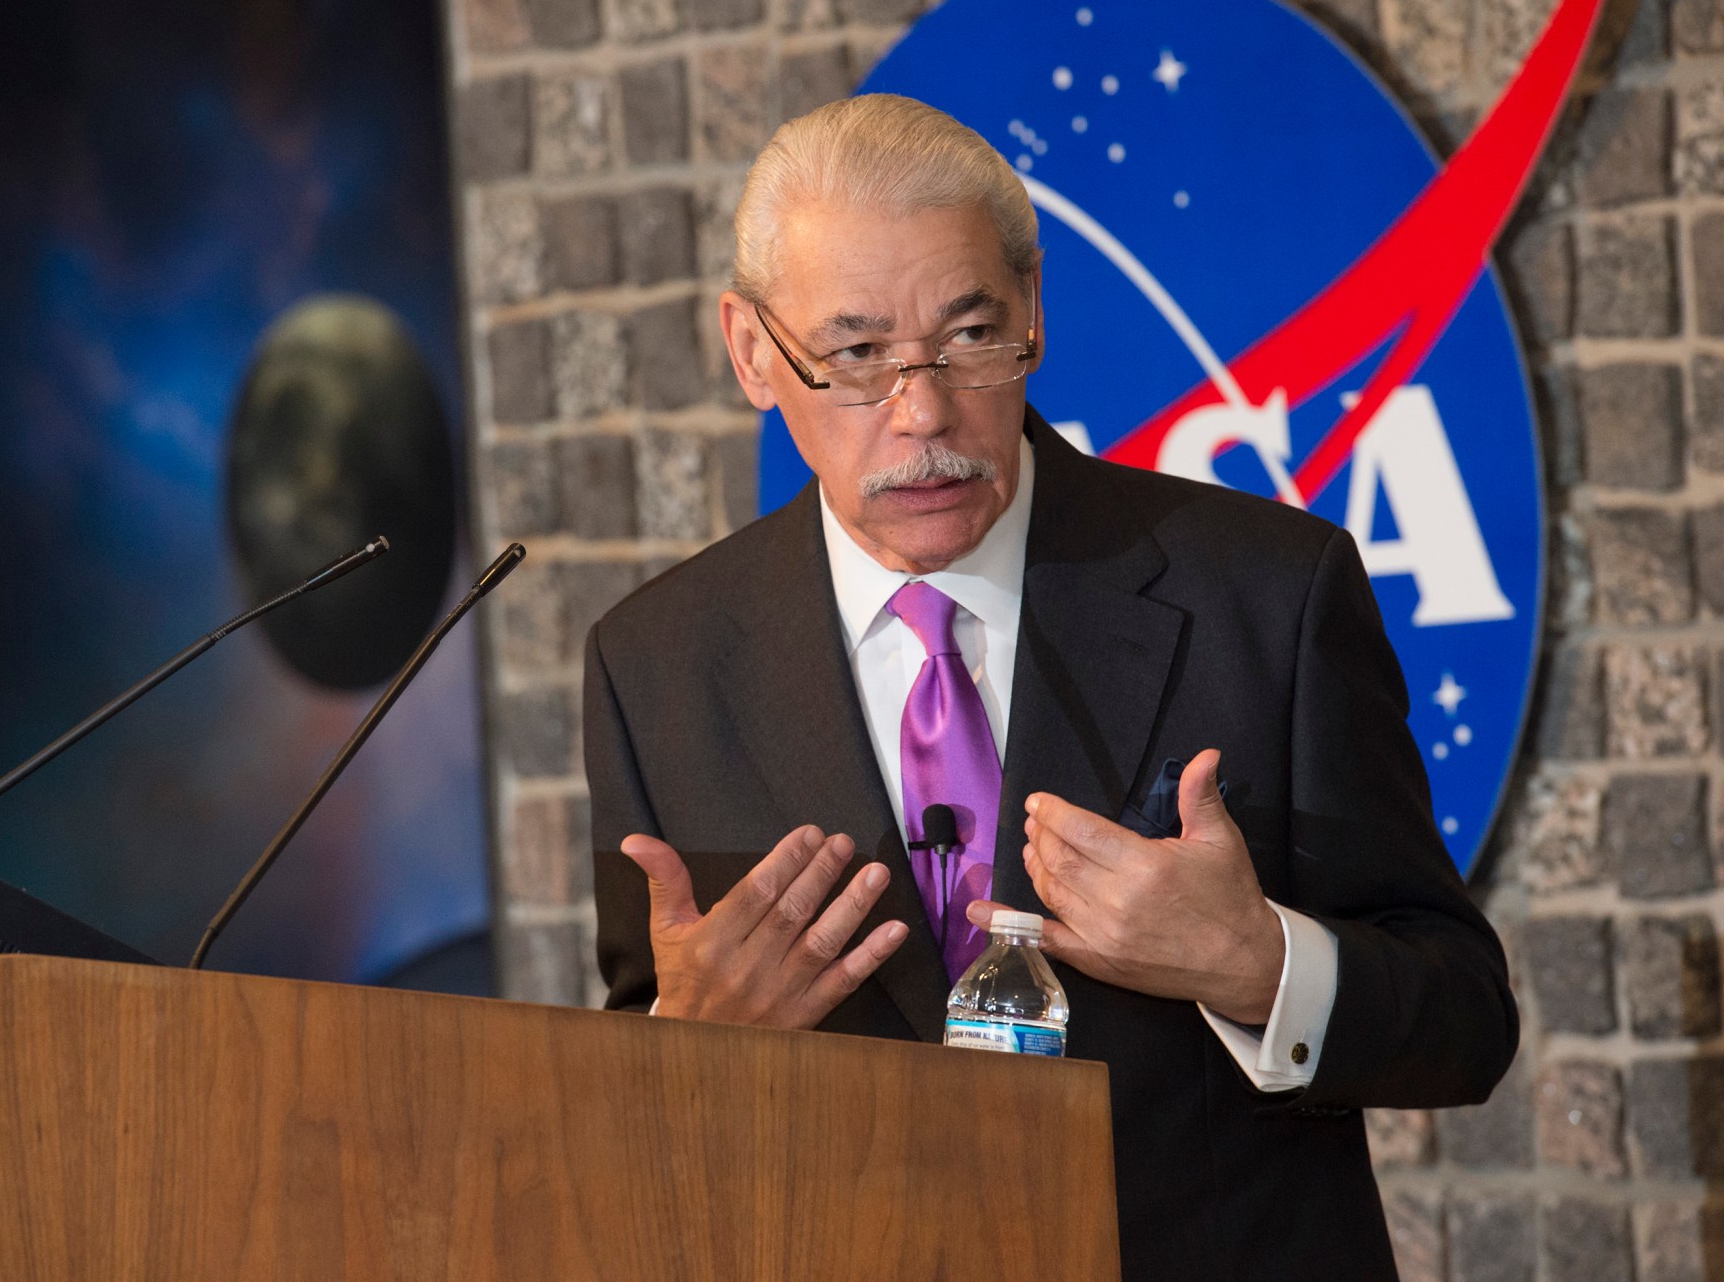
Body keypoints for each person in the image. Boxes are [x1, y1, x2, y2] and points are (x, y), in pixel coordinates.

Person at [584, 93, 1517, 1281]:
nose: (922, 413)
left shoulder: (1266, 595)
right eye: (857, 354)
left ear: (1030, 307)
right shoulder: (655, 662)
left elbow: (1463, 1022)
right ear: (754, 351)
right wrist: (684, 1049)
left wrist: (1254, 963)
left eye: (970, 337)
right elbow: (627, 1095)